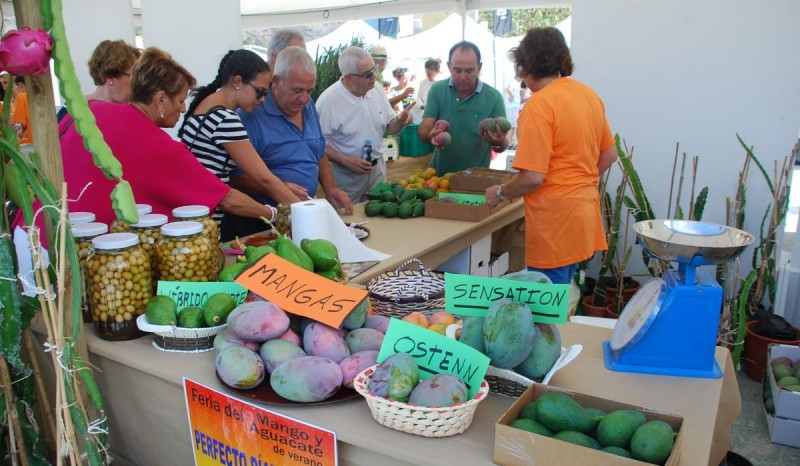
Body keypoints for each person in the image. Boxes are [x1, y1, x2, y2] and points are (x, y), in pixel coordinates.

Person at [59, 47, 276, 227]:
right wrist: (272, 213)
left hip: (47, 230)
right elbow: (226, 200)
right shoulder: (158, 144)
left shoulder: (88, 111)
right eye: (180, 101)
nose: (183, 110)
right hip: (90, 244)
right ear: (161, 100)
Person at [485, 27, 617, 285]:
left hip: (555, 223)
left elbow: (533, 177)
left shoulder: (538, 105)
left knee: (547, 311)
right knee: (564, 298)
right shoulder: (588, 95)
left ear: (525, 65)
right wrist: (576, 179)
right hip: (583, 214)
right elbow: (609, 154)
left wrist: (501, 193)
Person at [226, 46, 353, 239]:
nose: (304, 98)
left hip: (303, 214)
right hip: (262, 221)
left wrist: (330, 187)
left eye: (309, 91)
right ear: (275, 82)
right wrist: (280, 186)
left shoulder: (308, 105)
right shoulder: (250, 114)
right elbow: (235, 176)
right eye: (297, 90)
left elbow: (318, 150)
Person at [179, 49, 301, 226]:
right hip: (208, 223)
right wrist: (304, 211)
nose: (262, 100)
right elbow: (265, 179)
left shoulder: (203, 107)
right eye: (260, 92)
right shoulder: (225, 120)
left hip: (192, 217)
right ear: (237, 82)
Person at [316, 46, 414, 203]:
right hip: (345, 175)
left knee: (379, 215)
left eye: (374, 69)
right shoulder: (328, 102)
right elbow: (316, 144)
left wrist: (400, 121)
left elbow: (390, 127)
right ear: (348, 78)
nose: (374, 76)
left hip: (378, 169)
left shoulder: (377, 90)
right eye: (367, 74)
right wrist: (344, 160)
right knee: (348, 221)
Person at [418, 41, 508, 174]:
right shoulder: (437, 90)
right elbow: (424, 130)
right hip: (440, 179)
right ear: (449, 67)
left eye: (469, 70)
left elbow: (503, 144)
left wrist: (498, 142)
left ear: (479, 67)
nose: (463, 77)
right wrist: (429, 135)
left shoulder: (493, 97)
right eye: (457, 70)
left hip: (475, 180)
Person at [56, 40, 140, 122]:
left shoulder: (133, 113)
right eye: (133, 76)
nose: (138, 83)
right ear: (109, 77)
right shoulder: (70, 111)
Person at [505, 75, 524, 148]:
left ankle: (511, 142)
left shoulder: (516, 83)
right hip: (512, 106)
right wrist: (512, 97)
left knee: (514, 126)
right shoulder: (514, 82)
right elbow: (510, 89)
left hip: (514, 106)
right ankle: (509, 143)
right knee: (511, 125)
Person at [11, 76, 31, 144]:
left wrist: (20, 131)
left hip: (29, 138)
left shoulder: (21, 96)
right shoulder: (37, 96)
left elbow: (24, 124)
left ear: (20, 84)